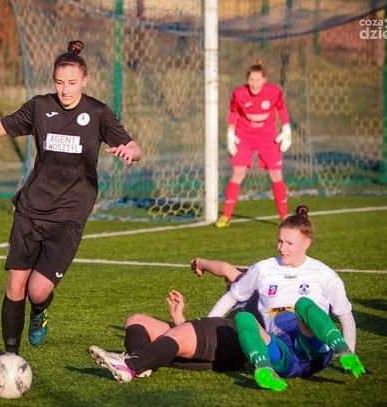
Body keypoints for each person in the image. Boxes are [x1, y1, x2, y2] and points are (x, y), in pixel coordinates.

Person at [0, 40, 142, 354]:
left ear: (85, 80)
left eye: (71, 83)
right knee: (15, 285)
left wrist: (130, 152)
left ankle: (40, 311)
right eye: (59, 82)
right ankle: (11, 359)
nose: (65, 90)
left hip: (69, 215)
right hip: (31, 208)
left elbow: (134, 147)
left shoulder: (97, 112)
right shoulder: (39, 106)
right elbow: (1, 127)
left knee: (37, 291)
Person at [208, 205, 365, 391]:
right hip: (282, 354)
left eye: (289, 243)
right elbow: (232, 296)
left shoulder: (324, 273)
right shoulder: (263, 269)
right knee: (242, 316)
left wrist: (350, 351)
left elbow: (345, 315)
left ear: (306, 243)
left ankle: (343, 351)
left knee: (304, 304)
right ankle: (264, 369)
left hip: (313, 351)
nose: (282, 248)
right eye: (280, 241)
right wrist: (208, 324)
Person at [88, 287, 247, 383]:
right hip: (215, 338)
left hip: (234, 341)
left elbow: (226, 269)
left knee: (180, 334)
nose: (227, 283)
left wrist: (200, 263)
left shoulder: (257, 273)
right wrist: (180, 320)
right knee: (136, 320)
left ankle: (131, 365)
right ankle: (143, 363)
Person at [216, 58, 292, 228]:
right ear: (247, 79)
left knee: (276, 174)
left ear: (264, 80)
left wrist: (286, 129)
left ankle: (283, 216)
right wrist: (230, 133)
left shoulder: (274, 92)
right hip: (244, 136)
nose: (254, 83)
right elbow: (234, 112)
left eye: (258, 80)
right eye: (251, 79)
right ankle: (226, 215)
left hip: (268, 137)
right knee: (238, 173)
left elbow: (281, 108)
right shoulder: (239, 94)